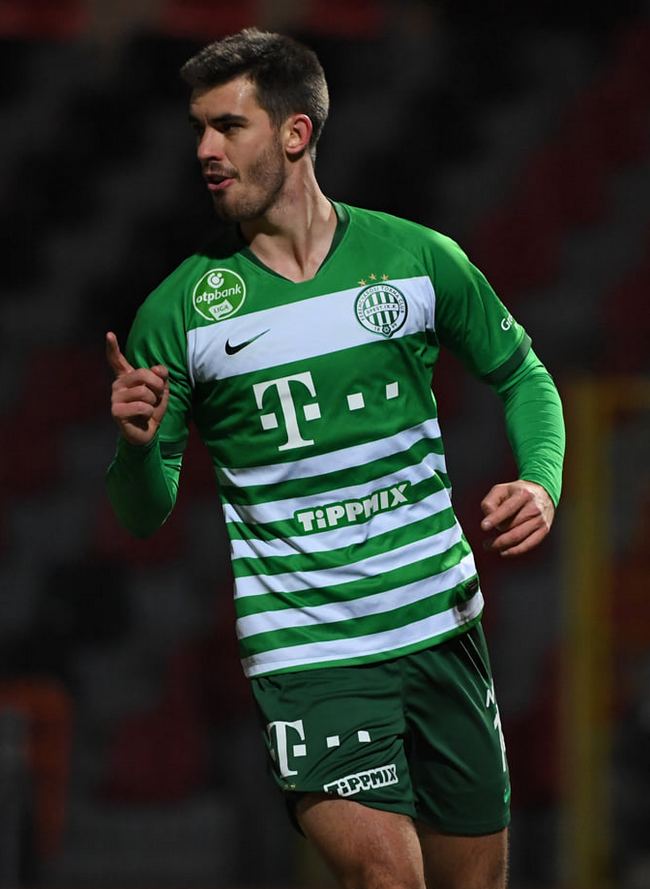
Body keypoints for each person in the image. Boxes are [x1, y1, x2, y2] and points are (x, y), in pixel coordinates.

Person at [105, 28, 564, 889]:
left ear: (295, 133)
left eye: (228, 125)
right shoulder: (178, 311)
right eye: (198, 128)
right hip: (308, 655)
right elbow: (142, 510)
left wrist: (541, 480)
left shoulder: (416, 260)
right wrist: (136, 449)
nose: (204, 149)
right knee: (387, 877)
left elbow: (523, 375)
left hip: (441, 627)